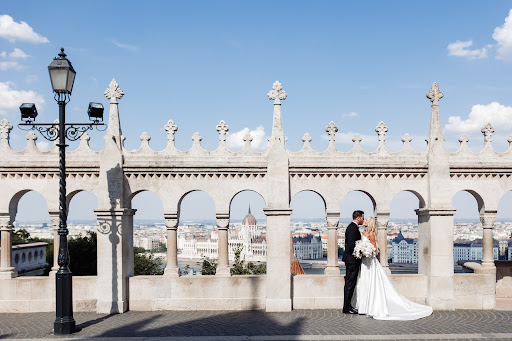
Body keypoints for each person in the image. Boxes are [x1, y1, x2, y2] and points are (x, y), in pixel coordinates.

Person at [351, 217, 433, 320]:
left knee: (370, 281)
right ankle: (363, 307)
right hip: (363, 261)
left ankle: (371, 307)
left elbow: (375, 248)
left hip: (369, 260)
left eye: (366, 220)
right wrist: (360, 249)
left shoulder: (371, 234)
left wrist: (367, 251)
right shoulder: (363, 232)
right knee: (364, 282)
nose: (364, 221)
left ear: (370, 223)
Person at [342, 210, 364, 314]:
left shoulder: (352, 227)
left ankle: (347, 306)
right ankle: (347, 307)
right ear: (358, 218)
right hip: (352, 260)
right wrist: (359, 252)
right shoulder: (353, 228)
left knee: (350, 283)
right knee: (350, 283)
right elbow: (351, 245)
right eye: (362, 218)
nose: (363, 220)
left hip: (350, 260)